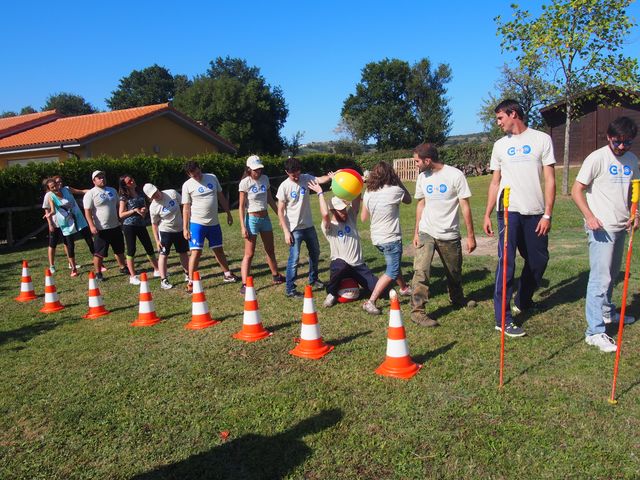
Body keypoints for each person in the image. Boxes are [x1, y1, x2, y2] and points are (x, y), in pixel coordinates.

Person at [483, 99, 556, 337]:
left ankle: (523, 300)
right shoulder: (499, 146)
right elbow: (495, 182)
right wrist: (487, 213)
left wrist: (547, 214)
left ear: (513, 114)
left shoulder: (541, 139)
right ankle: (502, 319)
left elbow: (550, 179)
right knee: (507, 264)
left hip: (535, 212)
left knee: (538, 260)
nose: (498, 123)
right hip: (508, 211)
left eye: (500, 118)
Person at [571, 116, 639, 352]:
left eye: (627, 142)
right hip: (601, 228)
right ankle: (595, 331)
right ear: (609, 137)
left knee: (612, 274)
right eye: (617, 142)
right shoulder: (597, 158)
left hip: (621, 226)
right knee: (600, 279)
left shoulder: (632, 160)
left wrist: (635, 213)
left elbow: (634, 191)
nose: (622, 147)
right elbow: (576, 190)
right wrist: (589, 216)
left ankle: (608, 314)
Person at [410, 143, 477, 327]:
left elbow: (465, 205)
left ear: (427, 160)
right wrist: (416, 231)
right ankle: (418, 312)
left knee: (454, 272)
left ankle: (457, 298)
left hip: (449, 233)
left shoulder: (455, 175)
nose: (416, 164)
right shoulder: (422, 177)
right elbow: (421, 204)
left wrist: (471, 235)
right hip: (426, 231)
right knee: (421, 272)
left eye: (417, 161)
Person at [307, 180, 378, 308]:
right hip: (341, 265)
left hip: (358, 265)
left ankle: (359, 281)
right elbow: (324, 213)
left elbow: (357, 198)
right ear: (333, 211)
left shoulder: (350, 217)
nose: (344, 213)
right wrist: (320, 193)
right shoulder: (329, 227)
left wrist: (358, 182)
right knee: (340, 265)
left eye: (344, 209)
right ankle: (332, 293)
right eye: (340, 211)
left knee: (378, 289)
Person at [276, 157, 333, 298]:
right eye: (292, 174)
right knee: (294, 259)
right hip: (294, 229)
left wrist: (331, 177)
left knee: (315, 253)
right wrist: (285, 231)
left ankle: (313, 280)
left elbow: (320, 179)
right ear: (286, 172)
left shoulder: (306, 178)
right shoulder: (284, 186)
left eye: (297, 172)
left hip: (308, 226)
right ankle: (290, 289)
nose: (295, 176)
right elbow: (280, 210)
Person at [361, 161, 413, 314]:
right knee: (392, 269)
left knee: (394, 264)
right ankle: (371, 301)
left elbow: (364, 216)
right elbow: (409, 200)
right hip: (391, 238)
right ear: (391, 175)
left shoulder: (369, 192)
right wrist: (398, 181)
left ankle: (403, 288)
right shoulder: (396, 190)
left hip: (377, 238)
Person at [182, 160, 238, 292]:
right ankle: (191, 282)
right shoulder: (187, 185)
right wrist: (185, 228)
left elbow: (221, 196)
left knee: (219, 249)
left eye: (198, 173)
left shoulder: (212, 178)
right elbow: (186, 208)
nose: (197, 176)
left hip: (214, 223)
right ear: (188, 174)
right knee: (196, 252)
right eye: (194, 175)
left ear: (200, 168)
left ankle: (227, 274)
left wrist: (228, 213)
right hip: (197, 224)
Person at [238, 155, 285, 295]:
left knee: (270, 249)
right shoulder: (244, 183)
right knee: (249, 253)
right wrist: (243, 226)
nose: (258, 172)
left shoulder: (265, 179)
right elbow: (241, 207)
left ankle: (276, 275)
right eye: (255, 170)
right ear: (249, 170)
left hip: (265, 218)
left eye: (259, 169)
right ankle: (245, 284)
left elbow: (270, 199)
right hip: (252, 220)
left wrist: (280, 217)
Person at [143, 183, 190, 290]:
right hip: (165, 231)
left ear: (157, 188)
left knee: (183, 252)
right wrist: (157, 241)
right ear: (149, 197)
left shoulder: (171, 193)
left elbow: (184, 205)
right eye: (153, 195)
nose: (156, 195)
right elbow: (154, 224)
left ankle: (188, 274)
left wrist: (187, 225)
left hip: (180, 229)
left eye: (156, 192)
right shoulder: (153, 207)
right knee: (163, 254)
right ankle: (163, 279)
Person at [83, 170, 127, 281]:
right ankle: (98, 273)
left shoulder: (112, 190)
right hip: (101, 228)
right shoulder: (91, 194)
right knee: (99, 253)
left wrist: (120, 219)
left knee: (119, 249)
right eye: (99, 178)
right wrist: (92, 226)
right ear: (94, 181)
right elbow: (87, 211)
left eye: (103, 177)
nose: (102, 179)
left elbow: (118, 206)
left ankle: (123, 267)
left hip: (115, 226)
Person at [46, 177, 94, 277]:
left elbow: (81, 191)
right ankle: (73, 268)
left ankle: (98, 262)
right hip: (66, 223)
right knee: (70, 245)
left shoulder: (66, 189)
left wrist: (93, 190)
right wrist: (49, 215)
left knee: (89, 240)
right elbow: (53, 210)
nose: (56, 187)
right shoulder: (50, 196)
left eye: (57, 184)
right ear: (49, 188)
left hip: (79, 218)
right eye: (52, 187)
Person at [118, 174, 160, 285]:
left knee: (149, 247)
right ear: (125, 185)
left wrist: (144, 210)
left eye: (132, 179)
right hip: (129, 226)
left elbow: (144, 209)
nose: (132, 181)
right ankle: (132, 276)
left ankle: (157, 270)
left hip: (141, 224)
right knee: (131, 250)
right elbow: (121, 214)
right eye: (129, 181)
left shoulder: (140, 194)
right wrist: (134, 210)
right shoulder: (124, 197)